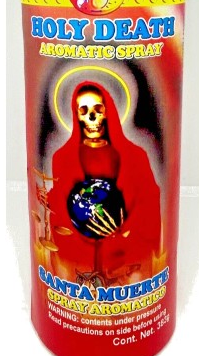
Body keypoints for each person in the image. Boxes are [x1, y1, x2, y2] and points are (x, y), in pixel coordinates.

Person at [48, 81, 161, 282]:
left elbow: (149, 201)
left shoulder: (136, 157)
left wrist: (123, 234)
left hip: (123, 260)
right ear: (76, 115)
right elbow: (58, 210)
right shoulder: (62, 159)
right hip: (81, 259)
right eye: (84, 111)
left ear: (108, 111)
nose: (92, 117)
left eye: (98, 110)